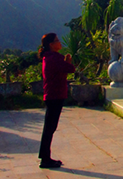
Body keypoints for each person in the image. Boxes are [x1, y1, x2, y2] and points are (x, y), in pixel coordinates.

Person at [37, 33, 75, 169]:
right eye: (57, 41)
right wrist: (68, 61)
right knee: (50, 127)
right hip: (56, 95)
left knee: (49, 127)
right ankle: (45, 159)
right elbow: (70, 69)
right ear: (51, 45)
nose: (60, 43)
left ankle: (45, 156)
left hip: (51, 94)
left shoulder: (47, 57)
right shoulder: (55, 58)